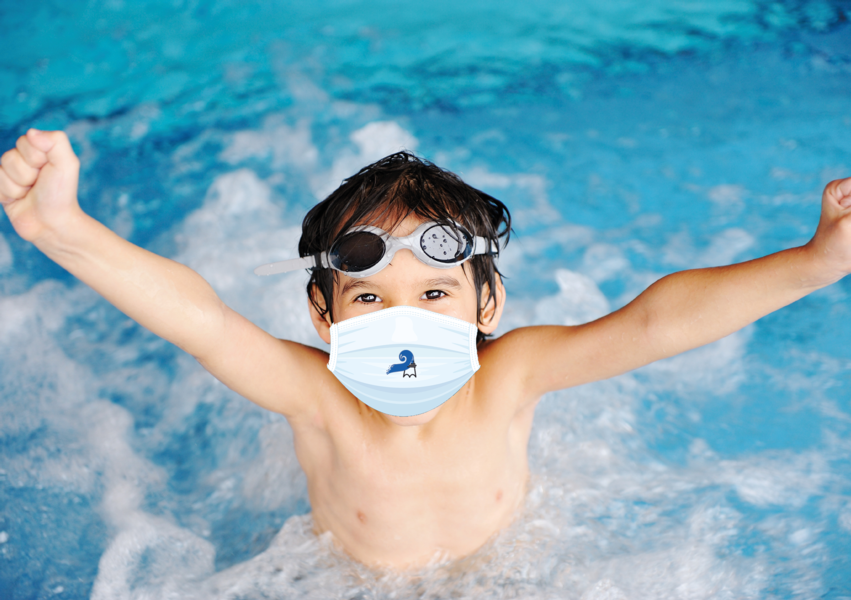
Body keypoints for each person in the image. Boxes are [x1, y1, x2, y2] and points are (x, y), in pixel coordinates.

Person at [1, 128, 849, 568]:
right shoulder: (316, 395)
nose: (402, 323)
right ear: (323, 318)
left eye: (435, 295)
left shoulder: (509, 373)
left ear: (488, 303)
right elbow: (202, 321)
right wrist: (63, 230)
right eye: (368, 297)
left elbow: (651, 326)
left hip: (502, 568)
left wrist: (816, 262)